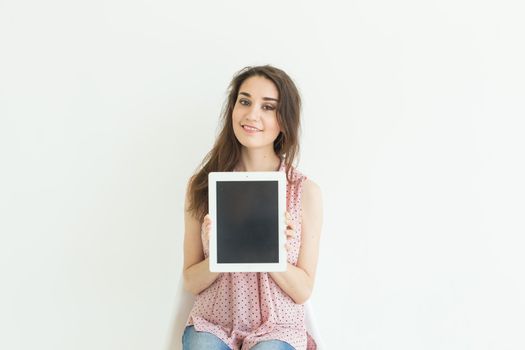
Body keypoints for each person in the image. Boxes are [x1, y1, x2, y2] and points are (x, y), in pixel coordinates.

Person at [182, 65, 323, 350]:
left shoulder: (304, 191)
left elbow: (303, 290)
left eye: (268, 107)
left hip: (279, 327)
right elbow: (191, 281)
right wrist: (221, 251)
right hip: (214, 323)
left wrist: (272, 250)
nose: (252, 115)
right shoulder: (202, 186)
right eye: (244, 101)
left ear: (284, 120)